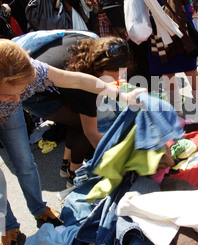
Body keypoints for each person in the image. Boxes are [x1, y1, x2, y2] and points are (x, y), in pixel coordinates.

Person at [0, 39, 145, 245]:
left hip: (11, 110)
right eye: (11, 94)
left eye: (21, 91)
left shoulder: (31, 72)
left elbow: (76, 79)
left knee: (25, 163)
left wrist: (120, 95)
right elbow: (90, 131)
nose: (18, 99)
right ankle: (7, 227)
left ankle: (40, 210)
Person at [22, 33, 135, 188]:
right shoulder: (85, 87)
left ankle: (65, 166)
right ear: (98, 68)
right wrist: (118, 163)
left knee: (76, 121)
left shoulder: (89, 43)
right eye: (116, 74)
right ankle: (74, 176)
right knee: (82, 126)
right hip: (33, 94)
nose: (120, 77)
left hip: (40, 72)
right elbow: (92, 133)